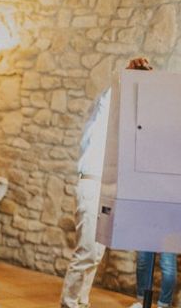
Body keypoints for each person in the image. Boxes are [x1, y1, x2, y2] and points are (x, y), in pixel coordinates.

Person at [60, 57, 158, 308]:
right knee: (87, 252)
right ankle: (69, 304)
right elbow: (111, 96)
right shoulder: (106, 103)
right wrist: (128, 74)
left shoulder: (122, 119)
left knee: (97, 253)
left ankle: (81, 302)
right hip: (92, 184)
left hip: (106, 188)